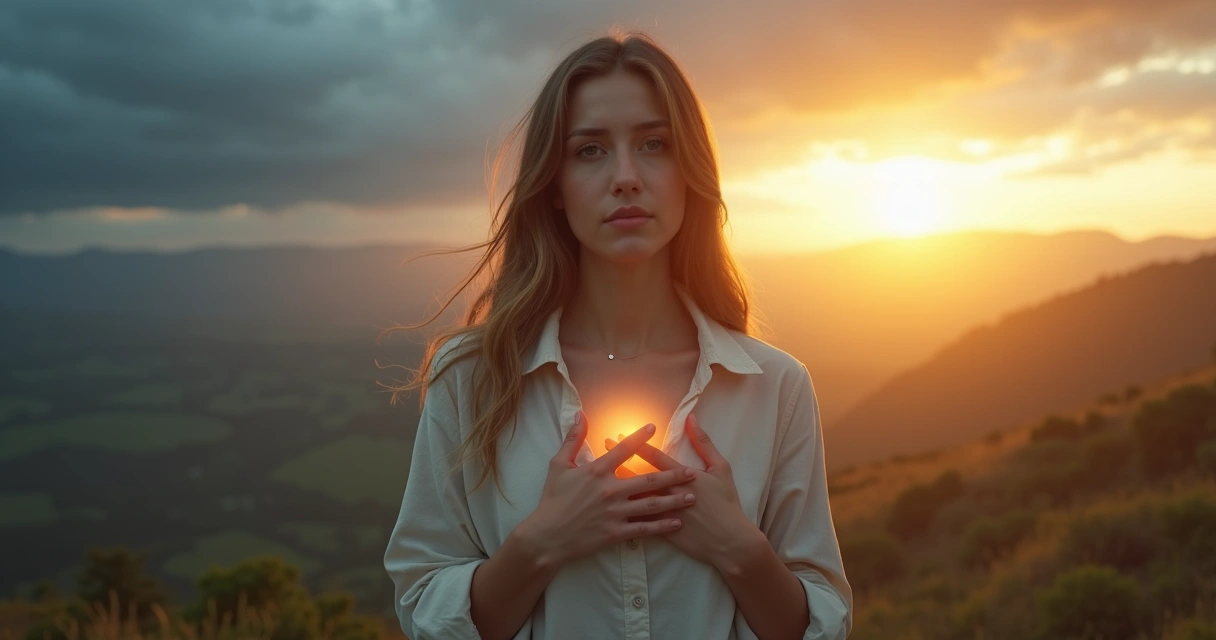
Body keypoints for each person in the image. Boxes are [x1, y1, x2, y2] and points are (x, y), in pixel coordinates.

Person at [381, 29, 851, 640]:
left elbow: (821, 626)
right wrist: (543, 542)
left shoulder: (776, 387)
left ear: (690, 171)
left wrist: (740, 549)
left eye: (655, 144)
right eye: (591, 151)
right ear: (552, 184)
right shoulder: (472, 378)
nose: (626, 177)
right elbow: (423, 610)